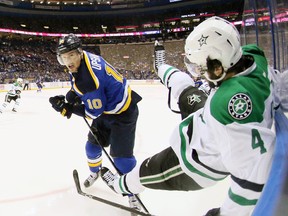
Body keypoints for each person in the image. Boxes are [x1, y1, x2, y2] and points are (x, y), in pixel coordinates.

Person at [100, 16, 283, 216]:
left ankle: (121, 185)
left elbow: (252, 178)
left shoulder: (228, 104)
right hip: (205, 124)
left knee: (144, 171)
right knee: (182, 83)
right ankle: (160, 67)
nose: (199, 73)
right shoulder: (252, 57)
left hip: (197, 162)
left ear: (218, 66)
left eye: (202, 68)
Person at [48, 33, 142, 210]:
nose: (68, 61)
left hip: (123, 112)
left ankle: (133, 193)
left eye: (71, 56)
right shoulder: (85, 60)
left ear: (79, 52)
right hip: (109, 107)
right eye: (64, 57)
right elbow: (81, 86)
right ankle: (95, 172)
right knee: (91, 147)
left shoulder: (88, 81)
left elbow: (93, 112)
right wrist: (71, 95)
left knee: (122, 159)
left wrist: (67, 108)